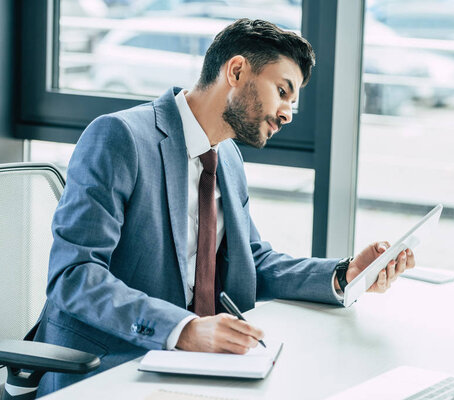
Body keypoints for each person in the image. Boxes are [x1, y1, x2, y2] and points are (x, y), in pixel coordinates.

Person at [32, 18, 415, 395]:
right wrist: (181, 329)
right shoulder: (120, 137)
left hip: (192, 365)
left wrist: (343, 275)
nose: (287, 114)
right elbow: (74, 275)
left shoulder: (226, 157)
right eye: (282, 91)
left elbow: (252, 261)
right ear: (236, 70)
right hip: (109, 364)